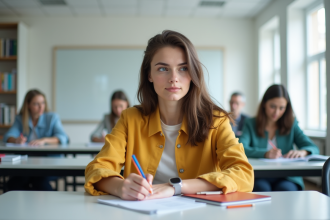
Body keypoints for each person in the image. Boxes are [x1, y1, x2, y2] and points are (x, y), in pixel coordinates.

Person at [85, 30, 253, 200]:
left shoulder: (216, 120)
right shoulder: (130, 118)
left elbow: (244, 174)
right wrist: (120, 186)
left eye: (183, 68)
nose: (174, 78)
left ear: (193, 73)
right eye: (163, 68)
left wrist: (176, 187)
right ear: (149, 74)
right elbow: (97, 169)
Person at [239, 84, 319, 192]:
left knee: (285, 189)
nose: (276, 112)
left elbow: (313, 147)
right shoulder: (251, 123)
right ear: (264, 104)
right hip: (259, 175)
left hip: (287, 176)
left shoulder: (291, 124)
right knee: (262, 188)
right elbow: (240, 148)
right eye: (272, 106)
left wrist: (303, 152)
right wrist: (265, 153)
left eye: (282, 108)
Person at [3, 89, 69, 191]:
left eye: (42, 103)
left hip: (50, 163)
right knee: (14, 183)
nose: (41, 107)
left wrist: (44, 140)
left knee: (40, 182)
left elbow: (63, 137)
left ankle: (46, 205)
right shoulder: (20, 118)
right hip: (27, 163)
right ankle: (26, 204)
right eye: (36, 104)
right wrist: (16, 140)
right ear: (28, 105)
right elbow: (8, 136)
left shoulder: (52, 117)